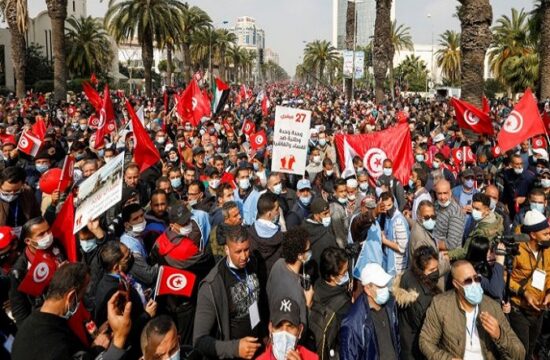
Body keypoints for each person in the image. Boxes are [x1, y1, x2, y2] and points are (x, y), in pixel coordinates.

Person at [11, 263, 131, 360]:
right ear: (71, 297)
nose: (81, 302)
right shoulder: (54, 349)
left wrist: (95, 349)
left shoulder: (33, 323)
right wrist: (120, 336)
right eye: (82, 295)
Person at [419, 260, 525, 360]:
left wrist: (499, 335)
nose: (474, 284)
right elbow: (425, 341)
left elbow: (520, 354)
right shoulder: (440, 305)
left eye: (477, 278)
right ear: (456, 284)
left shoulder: (492, 307)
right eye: (468, 281)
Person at [193, 225, 268, 359]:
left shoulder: (252, 263)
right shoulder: (211, 285)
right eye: (238, 252)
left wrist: (264, 334)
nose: (244, 256)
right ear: (227, 249)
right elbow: (199, 341)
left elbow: (259, 303)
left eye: (246, 250)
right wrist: (235, 348)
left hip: (258, 348)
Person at [95, 241, 157, 358]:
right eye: (127, 257)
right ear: (116, 267)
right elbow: (124, 329)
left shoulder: (117, 278)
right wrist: (147, 315)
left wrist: (141, 296)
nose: (131, 257)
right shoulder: (112, 293)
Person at [508, 210, 550, 359]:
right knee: (522, 351)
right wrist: (523, 292)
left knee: (531, 348)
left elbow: (549, 272)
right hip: (518, 308)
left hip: (538, 310)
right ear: (533, 235)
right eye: (545, 234)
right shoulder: (516, 249)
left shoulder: (547, 248)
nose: (549, 236)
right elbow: (504, 276)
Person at [9, 216, 66, 326]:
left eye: (48, 230)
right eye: (41, 234)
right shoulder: (19, 271)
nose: (48, 235)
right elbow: (20, 310)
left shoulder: (57, 244)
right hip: (48, 320)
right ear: (28, 241)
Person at [340, 263, 400, 360]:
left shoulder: (390, 304)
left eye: (385, 285)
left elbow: (396, 339)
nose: (385, 289)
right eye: (381, 286)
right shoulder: (353, 323)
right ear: (367, 289)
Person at [393, 246, 441, 360]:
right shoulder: (423, 299)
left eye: (436, 268)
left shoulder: (408, 275)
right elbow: (426, 330)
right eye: (432, 270)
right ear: (421, 270)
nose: (436, 272)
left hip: (405, 337)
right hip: (415, 349)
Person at [267, 226, 313, 327]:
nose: (310, 252)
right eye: (308, 249)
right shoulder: (296, 291)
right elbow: (301, 327)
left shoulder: (278, 264)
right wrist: (308, 304)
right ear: (300, 255)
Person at [310, 247, 352, 359]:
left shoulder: (316, 286)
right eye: (344, 273)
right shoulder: (343, 305)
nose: (347, 275)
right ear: (332, 277)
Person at [448, 193, 503, 261]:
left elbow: (466, 252)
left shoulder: (482, 232)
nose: (474, 211)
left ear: (487, 211)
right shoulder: (495, 219)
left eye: (477, 209)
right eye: (473, 207)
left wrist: (448, 255)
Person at [120, 203, 158, 287]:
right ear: (127, 224)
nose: (141, 220)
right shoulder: (130, 248)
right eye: (135, 219)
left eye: (141, 215)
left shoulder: (136, 235)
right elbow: (149, 276)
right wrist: (164, 262)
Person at [248, 192, 284, 274]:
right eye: (277, 209)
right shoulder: (281, 238)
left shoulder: (249, 233)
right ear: (269, 214)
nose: (279, 212)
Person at [303, 197, 338, 274]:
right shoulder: (306, 232)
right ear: (316, 216)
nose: (328, 216)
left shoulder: (325, 225)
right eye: (325, 214)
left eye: (329, 212)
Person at [465, 236, 506, 301]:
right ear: (482, 254)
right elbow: (496, 291)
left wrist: (505, 303)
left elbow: (501, 290)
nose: (494, 254)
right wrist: (499, 262)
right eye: (490, 251)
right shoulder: (473, 272)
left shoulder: (490, 267)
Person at [0, 166, 40, 231]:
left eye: (16, 190)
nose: (12, 193)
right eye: (7, 191)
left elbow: (36, 215)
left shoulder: (27, 192)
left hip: (24, 231)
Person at [379, 191, 410, 273]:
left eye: (389, 205)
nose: (387, 208)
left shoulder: (398, 221)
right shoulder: (386, 217)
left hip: (398, 267)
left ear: (393, 203)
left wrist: (384, 241)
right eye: (384, 206)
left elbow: (402, 248)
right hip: (388, 262)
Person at [432, 179, 465, 252]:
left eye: (445, 193)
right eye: (439, 193)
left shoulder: (456, 212)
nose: (442, 197)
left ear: (450, 192)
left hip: (448, 257)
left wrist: (430, 243)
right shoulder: (436, 205)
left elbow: (451, 245)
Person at [501, 154, 536, 219]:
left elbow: (534, 193)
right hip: (510, 207)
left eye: (521, 164)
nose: (520, 166)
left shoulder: (529, 177)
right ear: (511, 164)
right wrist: (505, 204)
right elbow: (505, 191)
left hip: (524, 208)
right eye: (517, 164)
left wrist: (525, 199)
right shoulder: (506, 174)